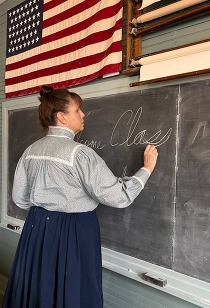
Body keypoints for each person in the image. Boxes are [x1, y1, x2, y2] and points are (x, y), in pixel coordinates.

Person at [3, 85, 158, 308]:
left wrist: (45, 207)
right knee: (74, 290)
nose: (83, 114)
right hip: (74, 230)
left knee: (37, 287)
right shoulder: (80, 154)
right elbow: (119, 197)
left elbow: (19, 199)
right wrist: (147, 169)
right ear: (62, 117)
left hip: (36, 228)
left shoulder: (30, 151)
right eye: (78, 110)